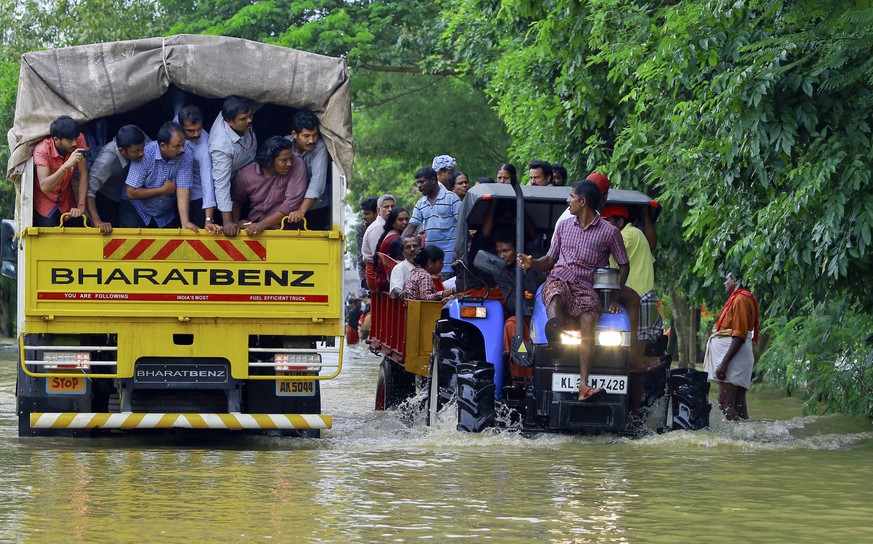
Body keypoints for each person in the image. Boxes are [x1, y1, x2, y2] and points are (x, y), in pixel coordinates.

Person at [518, 180, 630, 401]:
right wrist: (532, 262)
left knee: (589, 317)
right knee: (555, 293)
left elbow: (624, 264)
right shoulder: (564, 226)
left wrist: (615, 296)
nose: (568, 200)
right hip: (561, 278)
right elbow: (549, 260)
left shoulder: (609, 232)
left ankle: (584, 385)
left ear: (583, 201)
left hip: (587, 287)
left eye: (571, 196)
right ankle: (555, 335)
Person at [704, 272, 760, 421]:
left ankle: (736, 441)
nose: (725, 283)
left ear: (735, 280)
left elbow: (739, 334)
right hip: (739, 355)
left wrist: (724, 363)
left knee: (725, 404)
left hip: (735, 357)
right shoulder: (743, 297)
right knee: (739, 406)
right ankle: (748, 437)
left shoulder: (741, 299)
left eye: (727, 279)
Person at [602, 204, 661, 342]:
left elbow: (600, 254)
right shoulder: (637, 234)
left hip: (638, 298)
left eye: (606, 222)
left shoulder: (627, 235)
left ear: (620, 222)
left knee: (635, 347)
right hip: (641, 296)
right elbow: (653, 264)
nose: (601, 226)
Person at [492, 229, 546, 381]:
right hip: (525, 315)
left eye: (506, 251)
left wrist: (528, 271)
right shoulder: (502, 272)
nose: (502, 256)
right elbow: (512, 303)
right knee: (512, 324)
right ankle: (521, 378)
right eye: (499, 252)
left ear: (517, 249)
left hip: (546, 314)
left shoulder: (538, 263)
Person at [122, 121, 195, 229]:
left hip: (165, 217)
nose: (182, 149)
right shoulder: (145, 154)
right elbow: (131, 192)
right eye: (177, 146)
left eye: (183, 144)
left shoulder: (186, 154)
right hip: (137, 212)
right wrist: (162, 190)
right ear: (163, 146)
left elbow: (183, 188)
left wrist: (185, 222)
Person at [231, 136, 308, 236]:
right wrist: (235, 223)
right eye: (284, 160)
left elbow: (290, 204)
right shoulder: (245, 174)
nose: (289, 163)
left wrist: (261, 225)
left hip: (287, 231)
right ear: (270, 160)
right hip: (253, 228)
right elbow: (235, 200)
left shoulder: (297, 164)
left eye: (290, 158)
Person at [401, 167, 461, 278]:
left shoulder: (452, 198)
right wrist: (399, 245)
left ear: (433, 180)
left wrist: (458, 252)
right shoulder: (420, 204)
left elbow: (463, 226)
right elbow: (411, 226)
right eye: (417, 183)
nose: (419, 186)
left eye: (422, 182)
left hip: (450, 262)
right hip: (430, 265)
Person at [85, 124, 147, 234]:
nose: (141, 153)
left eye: (142, 149)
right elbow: (89, 190)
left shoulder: (137, 137)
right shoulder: (106, 162)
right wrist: (97, 221)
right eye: (136, 151)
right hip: (106, 199)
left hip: (130, 196)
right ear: (122, 151)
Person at [209, 96, 257, 236]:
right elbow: (221, 184)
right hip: (231, 182)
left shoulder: (237, 114)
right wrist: (228, 221)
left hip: (248, 171)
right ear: (229, 122)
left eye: (250, 115)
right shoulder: (220, 145)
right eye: (243, 119)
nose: (249, 121)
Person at [32, 115, 89, 227]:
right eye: (69, 140)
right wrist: (65, 166)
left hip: (66, 201)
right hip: (45, 202)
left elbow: (83, 173)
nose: (74, 143)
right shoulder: (42, 150)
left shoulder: (79, 139)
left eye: (75, 139)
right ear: (56, 140)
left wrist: (81, 205)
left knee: (79, 227)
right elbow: (45, 187)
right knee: (49, 235)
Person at [177, 105, 220, 234]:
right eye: (190, 130)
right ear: (180, 127)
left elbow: (208, 183)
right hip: (172, 190)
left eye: (199, 129)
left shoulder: (203, 147)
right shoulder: (173, 128)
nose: (196, 134)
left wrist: (208, 219)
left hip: (197, 196)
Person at [285, 110, 331, 229]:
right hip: (285, 207)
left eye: (314, 134)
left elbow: (317, 182)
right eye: (306, 136)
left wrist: (301, 210)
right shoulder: (283, 144)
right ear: (294, 134)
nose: (312, 140)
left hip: (315, 208)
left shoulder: (319, 146)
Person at [361, 194, 395, 291]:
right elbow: (378, 257)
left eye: (392, 206)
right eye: (386, 207)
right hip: (376, 272)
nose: (390, 209)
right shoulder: (378, 227)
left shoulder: (387, 226)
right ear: (378, 210)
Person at [373, 207, 410, 291]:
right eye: (400, 220)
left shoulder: (394, 235)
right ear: (393, 222)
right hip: (390, 283)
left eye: (407, 219)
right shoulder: (394, 239)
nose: (405, 222)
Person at [356, 197, 378, 288]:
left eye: (367, 214)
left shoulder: (387, 225)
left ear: (377, 213)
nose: (364, 217)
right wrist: (363, 279)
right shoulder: (361, 227)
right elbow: (360, 255)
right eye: (363, 213)